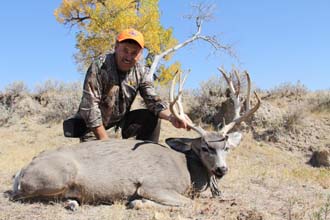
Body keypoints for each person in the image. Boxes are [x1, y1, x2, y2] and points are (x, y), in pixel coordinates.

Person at [75, 28, 191, 142]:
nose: (129, 57)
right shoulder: (99, 66)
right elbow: (90, 107)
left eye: (134, 52)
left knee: (151, 118)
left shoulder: (141, 71)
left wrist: (172, 117)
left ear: (140, 54)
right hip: (93, 130)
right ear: (116, 47)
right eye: (125, 50)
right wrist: (105, 143)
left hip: (119, 125)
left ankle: (148, 155)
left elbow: (153, 102)